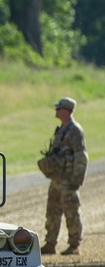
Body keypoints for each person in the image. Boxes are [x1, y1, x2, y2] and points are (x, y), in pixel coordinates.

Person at [39, 97, 88, 256]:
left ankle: (74, 245)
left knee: (71, 212)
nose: (56, 111)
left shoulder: (75, 131)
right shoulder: (62, 129)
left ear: (66, 111)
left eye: (59, 108)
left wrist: (77, 180)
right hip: (57, 178)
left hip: (68, 180)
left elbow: (81, 156)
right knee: (52, 211)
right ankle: (50, 243)